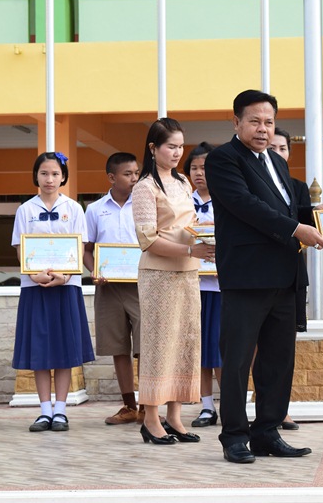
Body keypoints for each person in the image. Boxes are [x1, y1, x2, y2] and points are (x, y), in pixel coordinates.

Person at [206, 89, 323, 464]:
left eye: (269, 122)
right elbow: (247, 206)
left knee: (278, 360)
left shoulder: (276, 162)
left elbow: (287, 209)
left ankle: (267, 432)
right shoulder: (223, 159)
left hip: (285, 275)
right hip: (246, 277)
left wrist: (317, 216)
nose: (263, 129)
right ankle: (234, 436)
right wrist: (297, 228)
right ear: (237, 122)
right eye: (255, 121)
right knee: (237, 361)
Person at [132, 118, 216, 445]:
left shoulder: (182, 181)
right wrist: (191, 248)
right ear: (153, 148)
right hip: (158, 275)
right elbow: (148, 240)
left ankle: (175, 417)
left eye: (181, 146)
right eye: (171, 146)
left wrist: (207, 236)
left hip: (188, 272)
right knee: (159, 345)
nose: (177, 152)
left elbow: (190, 224)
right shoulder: (144, 187)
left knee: (185, 343)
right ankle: (151, 419)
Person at [11, 151, 95, 433]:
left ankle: (61, 410)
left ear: (63, 177)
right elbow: (21, 249)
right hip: (33, 288)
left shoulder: (74, 208)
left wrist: (66, 276)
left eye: (55, 173)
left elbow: (79, 248)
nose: (49, 179)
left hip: (66, 287)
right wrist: (33, 275)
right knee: (39, 351)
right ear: (36, 176)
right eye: (44, 173)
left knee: (63, 349)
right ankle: (44, 411)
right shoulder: (25, 210)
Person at [83, 152, 144, 425]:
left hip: (142, 285)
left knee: (145, 348)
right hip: (108, 288)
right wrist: (94, 271)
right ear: (111, 177)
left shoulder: (145, 205)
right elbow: (86, 248)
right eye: (127, 174)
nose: (134, 178)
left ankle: (148, 407)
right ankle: (129, 406)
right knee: (118, 347)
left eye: (136, 173)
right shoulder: (95, 209)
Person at [267, 127, 308, 431]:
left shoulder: (298, 187)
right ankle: (260, 407)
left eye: (282, 148)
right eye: (272, 148)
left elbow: (306, 225)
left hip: (291, 274)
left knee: (283, 348)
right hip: (258, 276)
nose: (278, 153)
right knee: (254, 349)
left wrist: (319, 216)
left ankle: (281, 409)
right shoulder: (251, 185)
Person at [182, 141, 222, 428]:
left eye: (205, 168)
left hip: (221, 288)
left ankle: (229, 405)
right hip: (192, 286)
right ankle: (206, 406)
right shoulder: (183, 203)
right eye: (194, 168)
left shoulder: (227, 200)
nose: (199, 173)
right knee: (200, 350)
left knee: (221, 350)